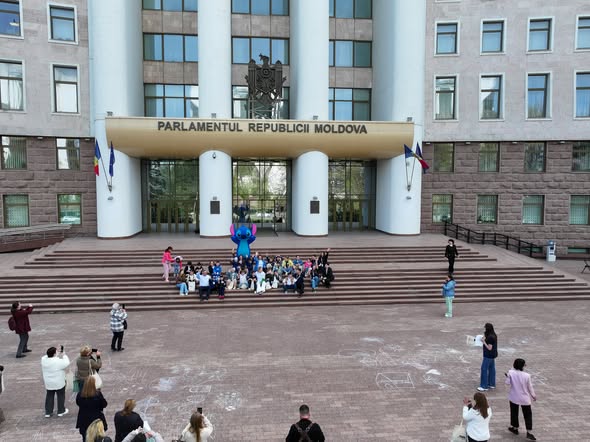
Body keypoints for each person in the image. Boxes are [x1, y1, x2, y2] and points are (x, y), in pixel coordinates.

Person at [506, 358, 537, 441]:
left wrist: (508, 375)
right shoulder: (527, 375)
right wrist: (533, 395)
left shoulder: (511, 373)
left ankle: (515, 428)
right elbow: (530, 387)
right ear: (522, 366)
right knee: (527, 415)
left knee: (514, 412)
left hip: (514, 397)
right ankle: (529, 432)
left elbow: (507, 383)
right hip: (524, 398)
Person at [76, 375, 108, 442]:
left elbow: (78, 403)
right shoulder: (98, 394)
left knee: (85, 438)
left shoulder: (80, 394)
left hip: (84, 420)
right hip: (96, 419)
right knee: (97, 438)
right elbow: (104, 404)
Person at [41, 345, 70, 418]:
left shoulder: (43, 360)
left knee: (49, 396)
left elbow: (46, 356)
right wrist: (64, 355)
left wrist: (54, 353)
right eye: (56, 352)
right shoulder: (58, 361)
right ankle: (61, 411)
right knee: (60, 396)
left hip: (49, 382)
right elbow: (66, 363)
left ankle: (48, 412)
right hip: (59, 382)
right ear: (54, 354)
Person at [478, 323, 498, 391]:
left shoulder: (490, 337)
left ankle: (484, 386)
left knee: (484, 369)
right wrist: (485, 337)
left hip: (488, 355)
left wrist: (484, 342)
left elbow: (489, 348)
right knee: (492, 369)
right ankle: (491, 384)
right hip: (493, 355)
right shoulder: (493, 335)